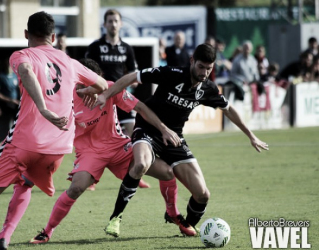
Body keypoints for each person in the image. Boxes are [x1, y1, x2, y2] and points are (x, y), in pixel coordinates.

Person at [0, 11, 108, 250]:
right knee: (25, 184)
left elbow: (25, 72)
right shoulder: (70, 62)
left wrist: (43, 108)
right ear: (53, 37)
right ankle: (4, 236)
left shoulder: (22, 55)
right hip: (57, 148)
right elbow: (103, 84)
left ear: (26, 34)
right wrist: (88, 91)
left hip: (24, 143)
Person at [81, 43, 269, 237]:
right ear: (192, 61)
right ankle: (115, 218)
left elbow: (228, 109)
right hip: (148, 128)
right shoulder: (172, 73)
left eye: (209, 68)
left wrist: (251, 136)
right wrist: (105, 94)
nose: (204, 72)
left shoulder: (208, 89)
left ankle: (186, 223)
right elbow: (132, 76)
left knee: (203, 194)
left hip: (174, 137)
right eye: (201, 67)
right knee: (140, 165)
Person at [29, 58, 196, 244]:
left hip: (118, 147)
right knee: (76, 188)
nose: (90, 89)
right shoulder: (67, 97)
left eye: (94, 83)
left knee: (167, 171)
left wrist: (164, 129)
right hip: (89, 153)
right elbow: (53, 129)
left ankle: (173, 214)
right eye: (85, 84)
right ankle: (47, 231)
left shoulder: (110, 88)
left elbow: (140, 107)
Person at [85, 8, 150, 189]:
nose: (113, 24)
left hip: (121, 97)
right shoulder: (95, 47)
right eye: (110, 21)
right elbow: (87, 71)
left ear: (120, 24)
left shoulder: (126, 48)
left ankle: (134, 175)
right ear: (104, 24)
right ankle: (90, 177)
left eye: (116, 21)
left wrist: (133, 82)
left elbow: (132, 72)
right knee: (95, 140)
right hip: (101, 98)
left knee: (131, 139)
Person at [0, 58, 20, 142]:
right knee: (5, 122)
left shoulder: (16, 76)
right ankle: (3, 139)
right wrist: (9, 100)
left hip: (15, 103)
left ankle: (17, 139)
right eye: (6, 64)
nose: (8, 66)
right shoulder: (0, 77)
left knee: (17, 121)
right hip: (5, 104)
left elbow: (20, 89)